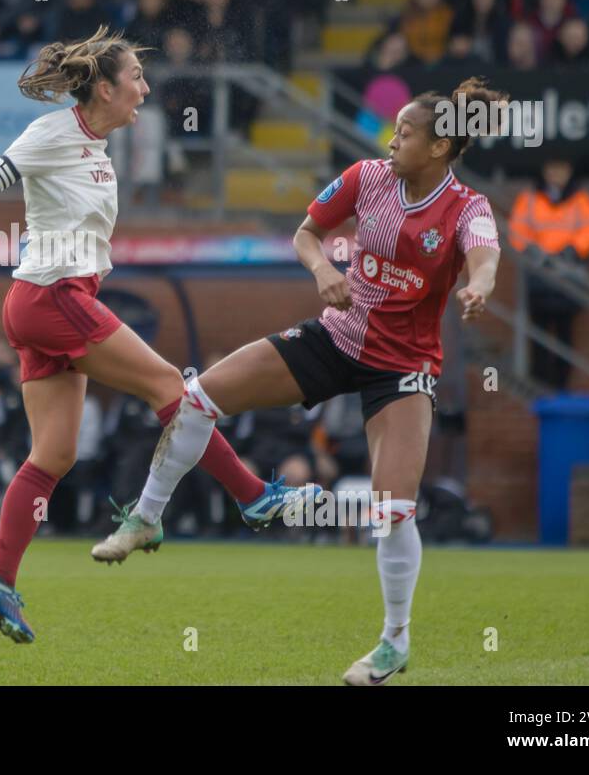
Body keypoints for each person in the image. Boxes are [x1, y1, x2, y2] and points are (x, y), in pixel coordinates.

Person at [93, 77, 503, 685]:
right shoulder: (367, 177)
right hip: (337, 337)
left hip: (402, 368)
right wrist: (320, 269)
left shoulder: (466, 208)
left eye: (407, 133)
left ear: (440, 147)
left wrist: (481, 285)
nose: (393, 140)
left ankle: (395, 641)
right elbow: (306, 233)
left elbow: (485, 253)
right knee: (199, 395)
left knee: (392, 509)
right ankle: (146, 517)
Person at [0, 25, 311, 643]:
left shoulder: (97, 143)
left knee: (55, 455)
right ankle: (251, 495)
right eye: (136, 79)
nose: (145, 89)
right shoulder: (54, 131)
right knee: (173, 386)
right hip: (52, 295)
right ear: (104, 89)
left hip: (47, 300)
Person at [507, 157, 589, 389]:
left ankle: (561, 384)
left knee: (564, 334)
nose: (556, 174)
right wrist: (533, 250)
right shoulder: (529, 198)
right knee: (538, 331)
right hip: (538, 276)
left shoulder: (580, 199)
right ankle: (539, 382)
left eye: (562, 169)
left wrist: (571, 250)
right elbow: (517, 230)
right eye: (552, 168)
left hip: (567, 277)